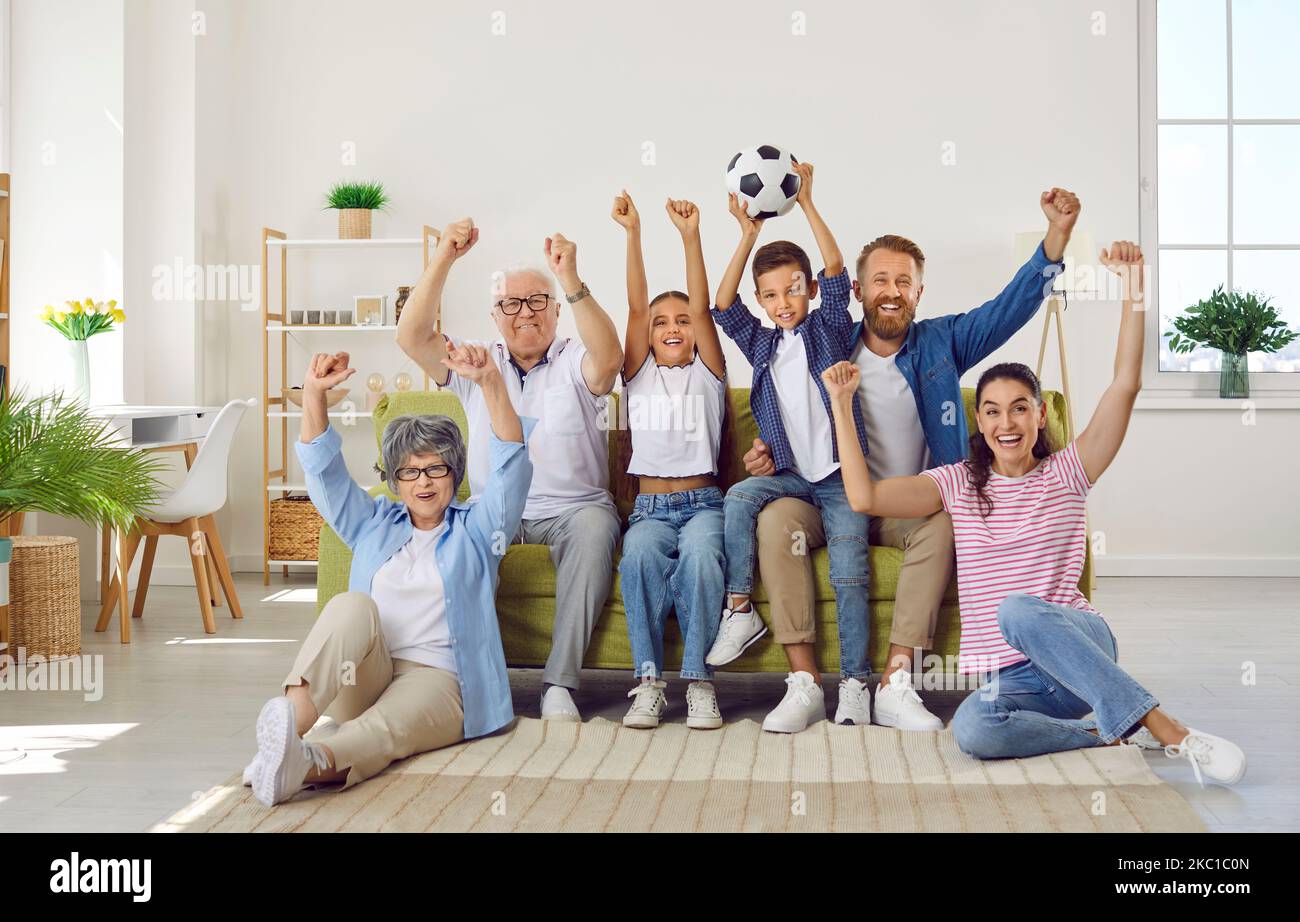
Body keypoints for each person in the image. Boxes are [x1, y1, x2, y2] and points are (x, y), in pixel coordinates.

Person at [823, 241, 1246, 785]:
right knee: (973, 729)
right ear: (979, 422)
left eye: (1020, 408)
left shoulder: (1069, 472)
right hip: (1020, 682)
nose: (1007, 423)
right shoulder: (956, 484)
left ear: (1041, 415)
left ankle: (1171, 730)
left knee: (1017, 610)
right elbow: (864, 499)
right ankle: (1113, 730)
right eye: (993, 411)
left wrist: (1134, 286)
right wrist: (839, 404)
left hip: (1082, 645)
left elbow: (1126, 383)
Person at [741, 188, 1081, 730]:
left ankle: (896, 684)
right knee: (777, 519)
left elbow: (1008, 308)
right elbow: (783, 404)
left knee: (946, 522)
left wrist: (1055, 240)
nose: (892, 293)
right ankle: (803, 684)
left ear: (920, 293)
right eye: (880, 281)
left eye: (904, 282)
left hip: (906, 508)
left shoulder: (942, 342)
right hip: (828, 501)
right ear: (857, 290)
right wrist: (764, 449)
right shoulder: (826, 342)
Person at [245, 344, 535, 806]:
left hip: (439, 679)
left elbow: (510, 468)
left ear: (454, 473)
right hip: (364, 673)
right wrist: (316, 395)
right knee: (350, 606)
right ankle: (287, 728)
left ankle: (302, 763)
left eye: (436, 468)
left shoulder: (479, 530)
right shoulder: (371, 523)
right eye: (409, 471)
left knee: (381, 732)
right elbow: (325, 475)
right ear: (395, 481)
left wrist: (491, 383)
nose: (423, 481)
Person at [396, 217, 624, 722]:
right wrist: (444, 257)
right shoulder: (478, 361)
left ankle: (559, 686)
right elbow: (412, 336)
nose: (526, 313)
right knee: (457, 547)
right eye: (511, 304)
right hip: (495, 510)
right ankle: (462, 679)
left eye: (538, 301)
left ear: (556, 312)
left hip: (574, 510)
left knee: (594, 528)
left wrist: (568, 277)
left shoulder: (574, 358)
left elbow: (610, 359)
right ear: (495, 316)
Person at [705, 161, 874, 734]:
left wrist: (806, 203)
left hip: (839, 478)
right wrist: (746, 234)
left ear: (808, 292)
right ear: (762, 298)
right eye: (771, 295)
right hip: (791, 475)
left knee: (850, 570)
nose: (783, 302)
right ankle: (739, 607)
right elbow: (721, 305)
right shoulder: (760, 346)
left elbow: (833, 265)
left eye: (792, 290)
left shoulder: (827, 327)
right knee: (739, 497)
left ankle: (855, 683)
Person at [611, 191, 727, 730]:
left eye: (681, 320)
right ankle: (649, 683)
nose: (674, 326)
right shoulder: (638, 376)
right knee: (637, 558)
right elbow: (635, 307)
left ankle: (699, 682)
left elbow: (703, 308)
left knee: (704, 559)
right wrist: (634, 234)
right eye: (662, 323)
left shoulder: (708, 374)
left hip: (705, 505)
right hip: (650, 508)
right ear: (651, 336)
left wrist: (691, 237)